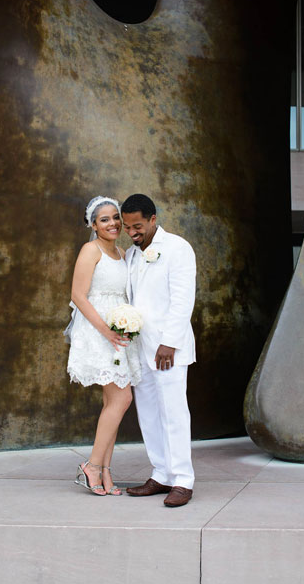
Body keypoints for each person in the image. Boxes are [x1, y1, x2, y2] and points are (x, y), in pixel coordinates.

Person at [121, 194, 197, 508]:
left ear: (153, 219)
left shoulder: (177, 248)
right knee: (149, 414)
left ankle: (182, 479)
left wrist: (170, 342)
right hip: (139, 349)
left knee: (174, 413)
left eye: (137, 225)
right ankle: (161, 473)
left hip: (168, 350)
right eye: (127, 227)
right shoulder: (130, 255)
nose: (132, 232)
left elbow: (182, 299)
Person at [66, 195, 141, 496]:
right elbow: (79, 295)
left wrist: (123, 327)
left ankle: (106, 474)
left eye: (115, 218)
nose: (112, 223)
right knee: (122, 400)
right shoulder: (90, 250)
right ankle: (92, 465)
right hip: (98, 331)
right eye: (104, 219)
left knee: (114, 403)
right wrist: (107, 332)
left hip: (117, 333)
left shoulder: (122, 252)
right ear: (93, 225)